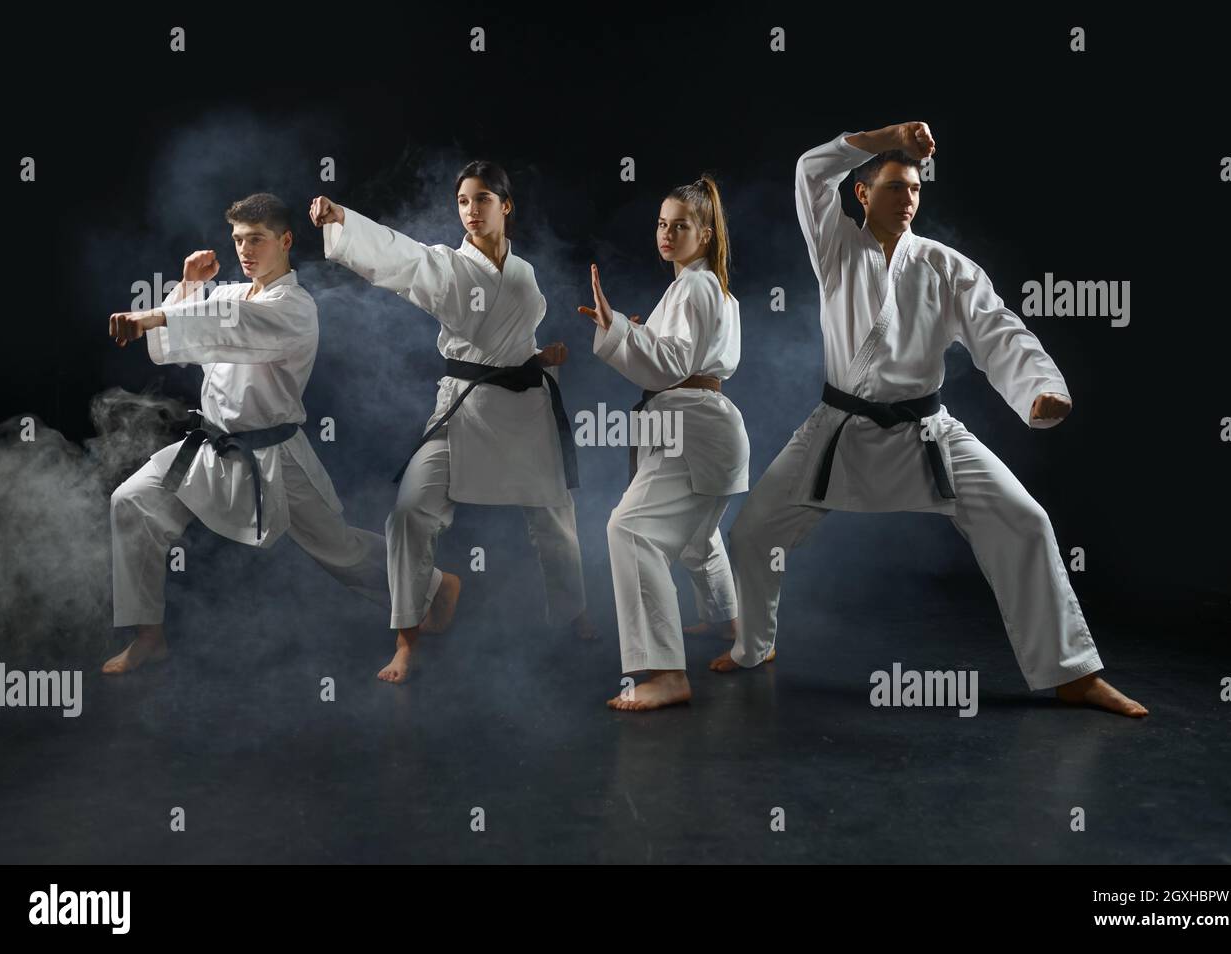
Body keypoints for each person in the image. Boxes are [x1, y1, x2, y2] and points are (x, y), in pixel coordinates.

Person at [711, 123, 1148, 718]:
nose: (908, 199)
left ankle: (1072, 673)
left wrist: (1040, 389)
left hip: (927, 434)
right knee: (753, 532)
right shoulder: (836, 247)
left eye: (915, 189)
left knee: (1024, 520)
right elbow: (812, 171)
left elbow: (998, 331)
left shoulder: (945, 266)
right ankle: (754, 645)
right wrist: (887, 134)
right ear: (861, 195)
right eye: (894, 187)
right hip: (840, 428)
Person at [311, 160, 594, 685]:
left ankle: (573, 613)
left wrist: (541, 355)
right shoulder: (445, 265)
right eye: (463, 201)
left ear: (505, 206)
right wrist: (343, 221)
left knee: (555, 520)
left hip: (523, 409)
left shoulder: (525, 272)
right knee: (410, 514)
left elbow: (513, 343)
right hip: (465, 406)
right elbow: (401, 257)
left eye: (482, 199)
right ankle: (406, 636)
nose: (471, 210)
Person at [103, 193, 393, 674]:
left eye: (256, 239)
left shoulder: (295, 307)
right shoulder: (232, 294)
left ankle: (431, 586)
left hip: (273, 457)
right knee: (131, 502)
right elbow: (188, 342)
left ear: (285, 240)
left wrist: (155, 315)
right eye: (238, 239)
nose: (245, 250)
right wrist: (190, 286)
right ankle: (148, 636)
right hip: (209, 448)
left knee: (340, 550)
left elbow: (232, 328)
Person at [580, 176, 749, 711]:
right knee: (699, 540)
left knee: (628, 530)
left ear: (705, 233)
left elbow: (672, 364)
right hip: (702, 426)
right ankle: (739, 631)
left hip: (689, 426)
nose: (667, 233)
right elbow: (675, 354)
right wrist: (632, 332)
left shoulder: (695, 286)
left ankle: (666, 673)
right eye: (661, 223)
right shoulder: (706, 287)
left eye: (681, 225)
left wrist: (620, 332)